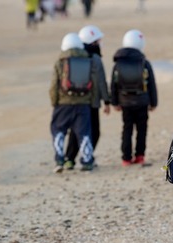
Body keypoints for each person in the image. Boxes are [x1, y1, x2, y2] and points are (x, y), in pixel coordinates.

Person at [49, 33, 98, 173]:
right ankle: (87, 161)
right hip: (83, 104)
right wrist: (91, 102)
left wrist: (55, 102)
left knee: (58, 130)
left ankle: (59, 159)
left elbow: (54, 85)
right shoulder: (89, 61)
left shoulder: (60, 62)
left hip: (63, 104)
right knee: (84, 133)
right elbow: (93, 85)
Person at [64, 25, 111, 170]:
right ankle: (87, 157)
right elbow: (101, 81)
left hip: (75, 101)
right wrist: (107, 101)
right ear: (92, 41)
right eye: (98, 40)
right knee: (94, 132)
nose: (100, 43)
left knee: (75, 131)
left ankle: (69, 159)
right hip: (92, 102)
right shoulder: (95, 58)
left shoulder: (73, 57)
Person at [110, 29, 157, 166]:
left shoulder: (118, 63)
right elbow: (152, 84)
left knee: (127, 129)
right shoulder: (144, 62)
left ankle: (126, 158)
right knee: (142, 130)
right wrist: (153, 102)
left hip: (125, 102)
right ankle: (140, 156)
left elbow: (114, 84)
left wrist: (114, 102)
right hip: (142, 102)